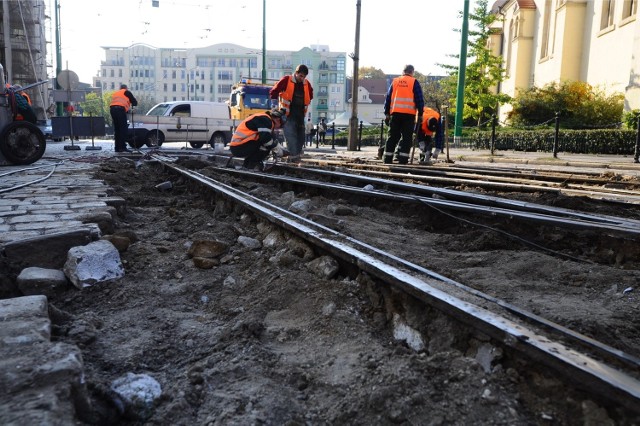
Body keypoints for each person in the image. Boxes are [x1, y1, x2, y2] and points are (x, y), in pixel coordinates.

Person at [269, 64, 313, 162]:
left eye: (304, 77)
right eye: (301, 76)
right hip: (287, 114)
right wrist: (274, 106)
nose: (302, 78)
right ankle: (293, 155)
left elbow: (310, 95)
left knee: (301, 136)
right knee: (290, 134)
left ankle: (295, 154)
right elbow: (274, 92)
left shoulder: (307, 84)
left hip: (300, 114)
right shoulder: (286, 80)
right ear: (296, 73)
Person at [382, 64, 424, 164]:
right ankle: (403, 160)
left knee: (392, 136)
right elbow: (419, 99)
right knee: (406, 137)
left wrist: (387, 113)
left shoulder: (395, 81)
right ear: (412, 72)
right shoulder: (414, 82)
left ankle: (387, 159)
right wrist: (421, 113)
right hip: (409, 115)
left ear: (403, 71)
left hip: (395, 114)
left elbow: (388, 98)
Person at [110, 84, 138, 153]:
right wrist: (133, 107)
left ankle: (117, 148)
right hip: (120, 110)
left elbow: (119, 103)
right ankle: (123, 147)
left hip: (112, 110)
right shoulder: (126, 92)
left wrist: (127, 109)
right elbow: (135, 102)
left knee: (117, 129)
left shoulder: (116, 93)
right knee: (123, 129)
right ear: (126, 88)